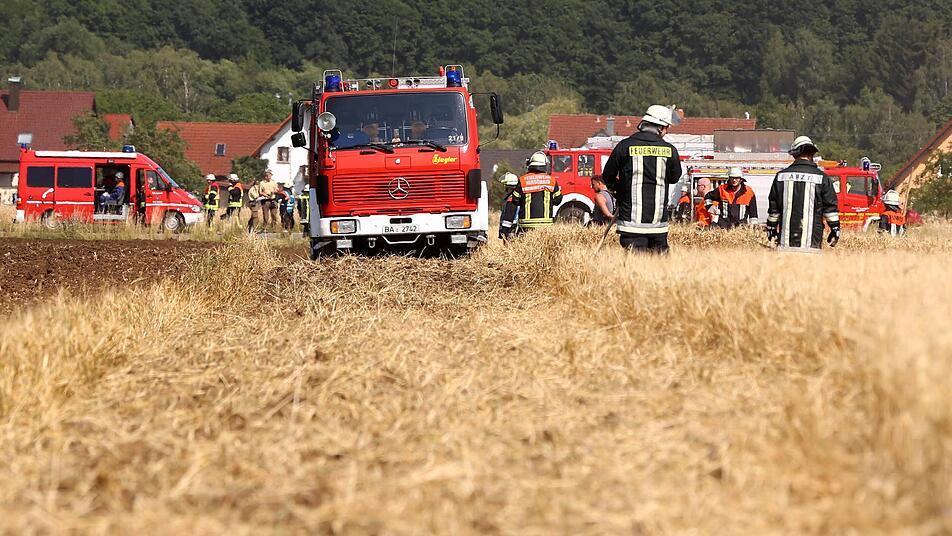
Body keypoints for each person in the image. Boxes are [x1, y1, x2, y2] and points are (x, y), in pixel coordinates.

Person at [601, 104, 682, 253]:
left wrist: (620, 192)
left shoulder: (624, 146)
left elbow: (607, 175)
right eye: (666, 127)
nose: (667, 131)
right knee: (660, 264)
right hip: (658, 224)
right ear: (660, 128)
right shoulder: (670, 150)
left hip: (630, 223)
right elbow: (674, 178)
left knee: (635, 263)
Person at [767, 136, 840, 252]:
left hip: (785, 245)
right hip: (812, 244)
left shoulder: (780, 177)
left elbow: (773, 209)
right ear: (812, 154)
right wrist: (835, 228)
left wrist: (771, 228)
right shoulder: (822, 178)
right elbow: (830, 208)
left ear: (794, 155)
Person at [502, 152, 562, 234]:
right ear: (545, 165)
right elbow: (558, 200)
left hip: (526, 226)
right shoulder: (551, 180)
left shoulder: (523, 180)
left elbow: (515, 200)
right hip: (546, 226)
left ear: (530, 165)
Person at [497, 172, 520, 239]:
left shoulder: (511, 199)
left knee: (510, 244)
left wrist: (503, 231)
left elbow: (508, 218)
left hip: (510, 230)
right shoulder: (517, 197)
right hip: (514, 228)